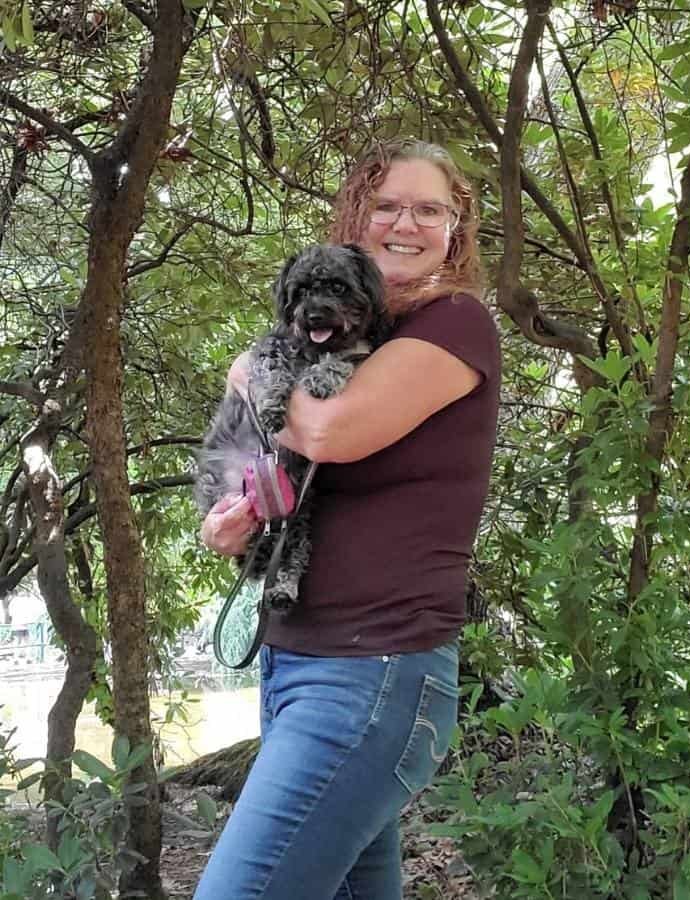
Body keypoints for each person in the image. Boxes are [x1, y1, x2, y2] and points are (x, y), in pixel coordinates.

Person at [195, 139, 501, 900]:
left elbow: (327, 431)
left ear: (455, 227)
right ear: (358, 218)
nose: (407, 221)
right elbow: (282, 464)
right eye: (388, 204)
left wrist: (250, 369)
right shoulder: (358, 330)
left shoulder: (453, 324)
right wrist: (230, 523)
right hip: (294, 658)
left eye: (430, 208)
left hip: (373, 670)